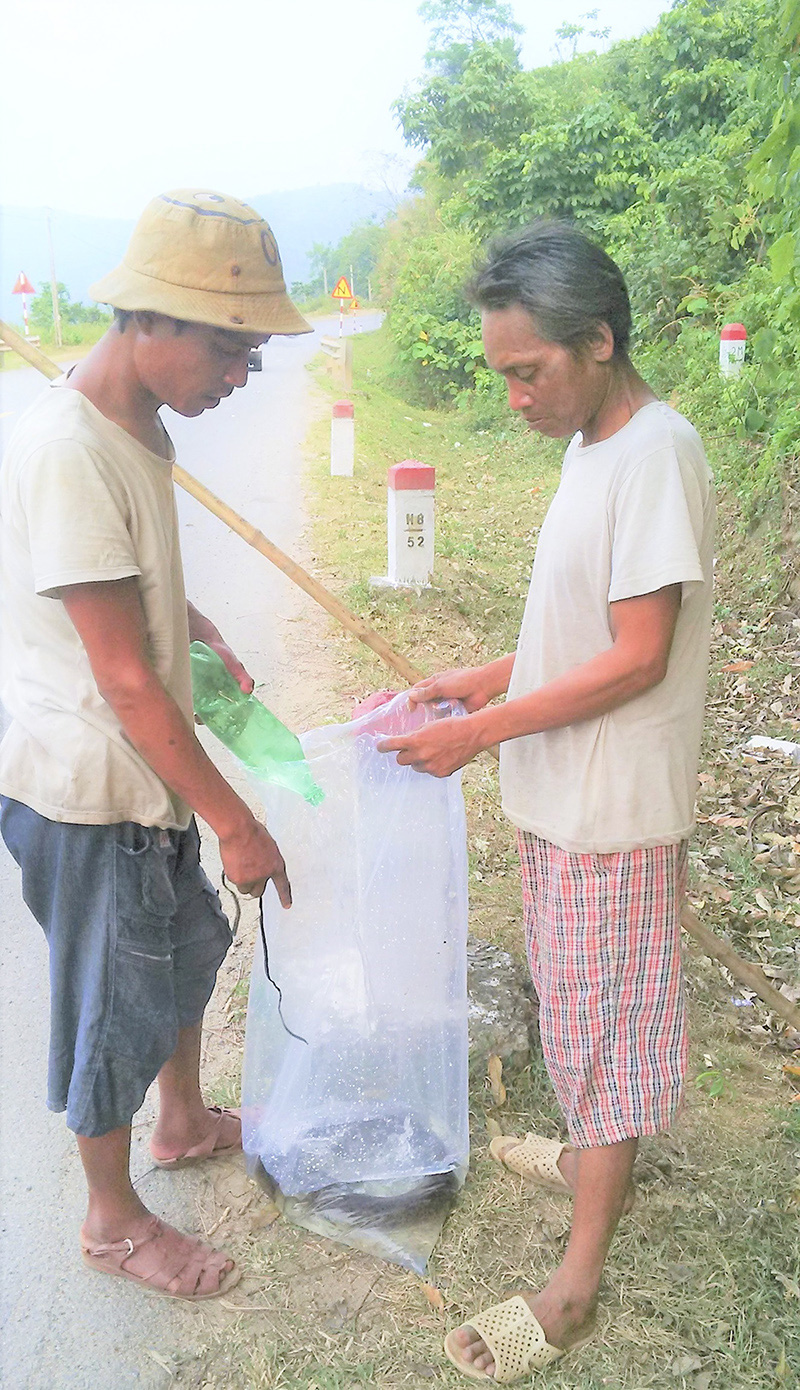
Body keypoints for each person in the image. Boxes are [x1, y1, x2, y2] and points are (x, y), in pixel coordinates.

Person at [378, 222, 715, 1382]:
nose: (514, 395)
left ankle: (574, 1283)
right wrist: (477, 681)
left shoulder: (655, 452)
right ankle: (587, 1158)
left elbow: (634, 658)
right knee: (574, 1007)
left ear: (598, 341)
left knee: (604, 1026)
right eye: (501, 375)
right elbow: (570, 633)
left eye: (529, 371)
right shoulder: (588, 449)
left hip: (610, 802)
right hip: (559, 792)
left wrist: (479, 731)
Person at [0, 189, 311, 1300]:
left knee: (184, 948)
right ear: (151, 323)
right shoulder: (67, 450)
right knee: (107, 1005)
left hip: (147, 781)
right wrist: (237, 819)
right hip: (92, 791)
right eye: (234, 347)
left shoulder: (139, 426)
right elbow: (122, 679)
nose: (244, 373)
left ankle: (179, 1122)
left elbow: (135, 608)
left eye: (255, 352)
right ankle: (112, 1215)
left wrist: (196, 622)